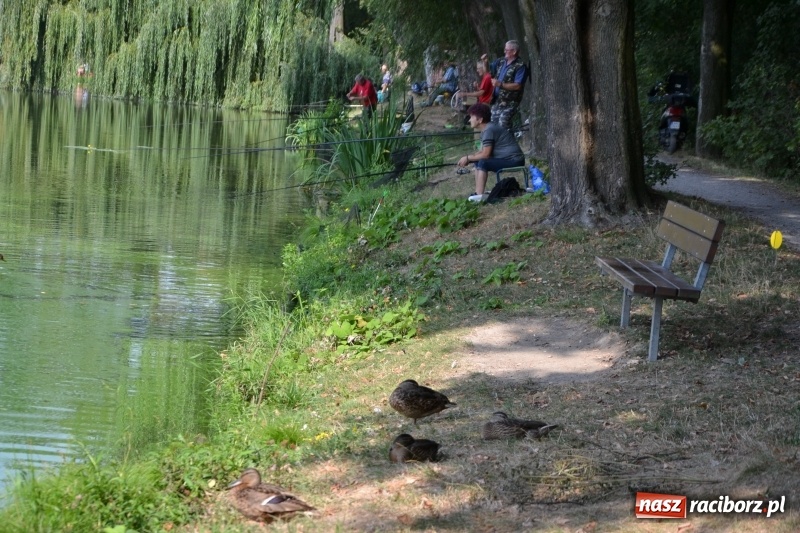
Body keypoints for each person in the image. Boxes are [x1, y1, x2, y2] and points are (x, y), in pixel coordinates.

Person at [456, 103, 525, 202]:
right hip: (508, 159)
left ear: (480, 120)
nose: (469, 119)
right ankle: (478, 193)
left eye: (471, 117)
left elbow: (485, 155)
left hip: (515, 160)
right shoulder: (486, 130)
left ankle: (479, 195)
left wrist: (468, 158)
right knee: (478, 161)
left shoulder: (489, 129)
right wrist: (469, 159)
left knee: (483, 162)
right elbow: (481, 152)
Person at [491, 40, 527, 130]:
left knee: (503, 124)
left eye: (506, 50)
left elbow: (518, 85)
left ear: (514, 51)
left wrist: (500, 84)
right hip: (498, 101)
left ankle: (509, 143)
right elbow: (490, 70)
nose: (504, 52)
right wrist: (484, 62)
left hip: (510, 102)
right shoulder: (501, 61)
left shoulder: (520, 65)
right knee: (493, 125)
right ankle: (498, 144)